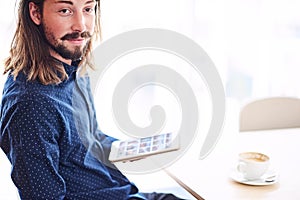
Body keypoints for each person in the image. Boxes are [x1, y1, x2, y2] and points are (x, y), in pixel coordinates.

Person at [0, 0, 188, 199]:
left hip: (124, 192)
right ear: (36, 13)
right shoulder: (31, 105)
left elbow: (92, 139)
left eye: (88, 9)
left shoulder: (73, 69)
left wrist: (133, 148)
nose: (81, 25)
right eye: (65, 10)